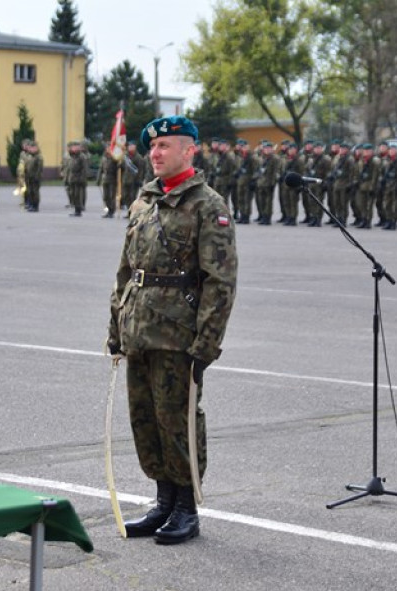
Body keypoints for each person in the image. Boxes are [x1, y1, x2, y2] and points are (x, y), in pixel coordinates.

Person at [106, 115, 238, 545]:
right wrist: (116, 325)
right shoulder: (144, 202)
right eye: (152, 147)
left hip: (178, 334)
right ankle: (163, 501)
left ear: (189, 150)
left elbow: (219, 281)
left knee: (177, 419)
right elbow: (127, 270)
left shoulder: (207, 205)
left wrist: (207, 343)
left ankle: (186, 508)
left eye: (165, 146)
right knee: (144, 419)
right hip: (139, 328)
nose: (155, 154)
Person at [65, 141, 88, 217]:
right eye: (73, 147)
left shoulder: (82, 157)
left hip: (78, 179)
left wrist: (82, 179)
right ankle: (76, 209)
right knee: (73, 195)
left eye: (76, 147)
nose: (73, 148)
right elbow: (69, 168)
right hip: (72, 179)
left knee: (78, 195)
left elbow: (84, 169)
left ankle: (78, 210)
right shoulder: (72, 156)